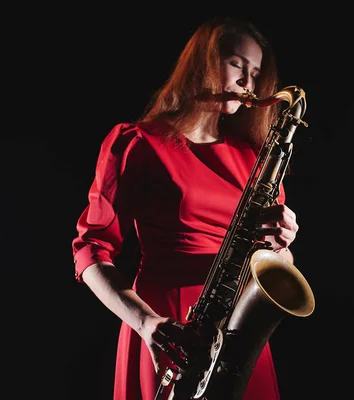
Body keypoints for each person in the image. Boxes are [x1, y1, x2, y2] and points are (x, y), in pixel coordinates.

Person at [71, 15, 301, 400]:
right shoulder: (138, 142)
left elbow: (279, 265)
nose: (249, 82)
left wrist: (281, 244)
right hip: (168, 326)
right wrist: (147, 324)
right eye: (237, 65)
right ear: (203, 62)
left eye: (256, 72)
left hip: (239, 332)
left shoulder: (255, 158)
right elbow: (90, 250)